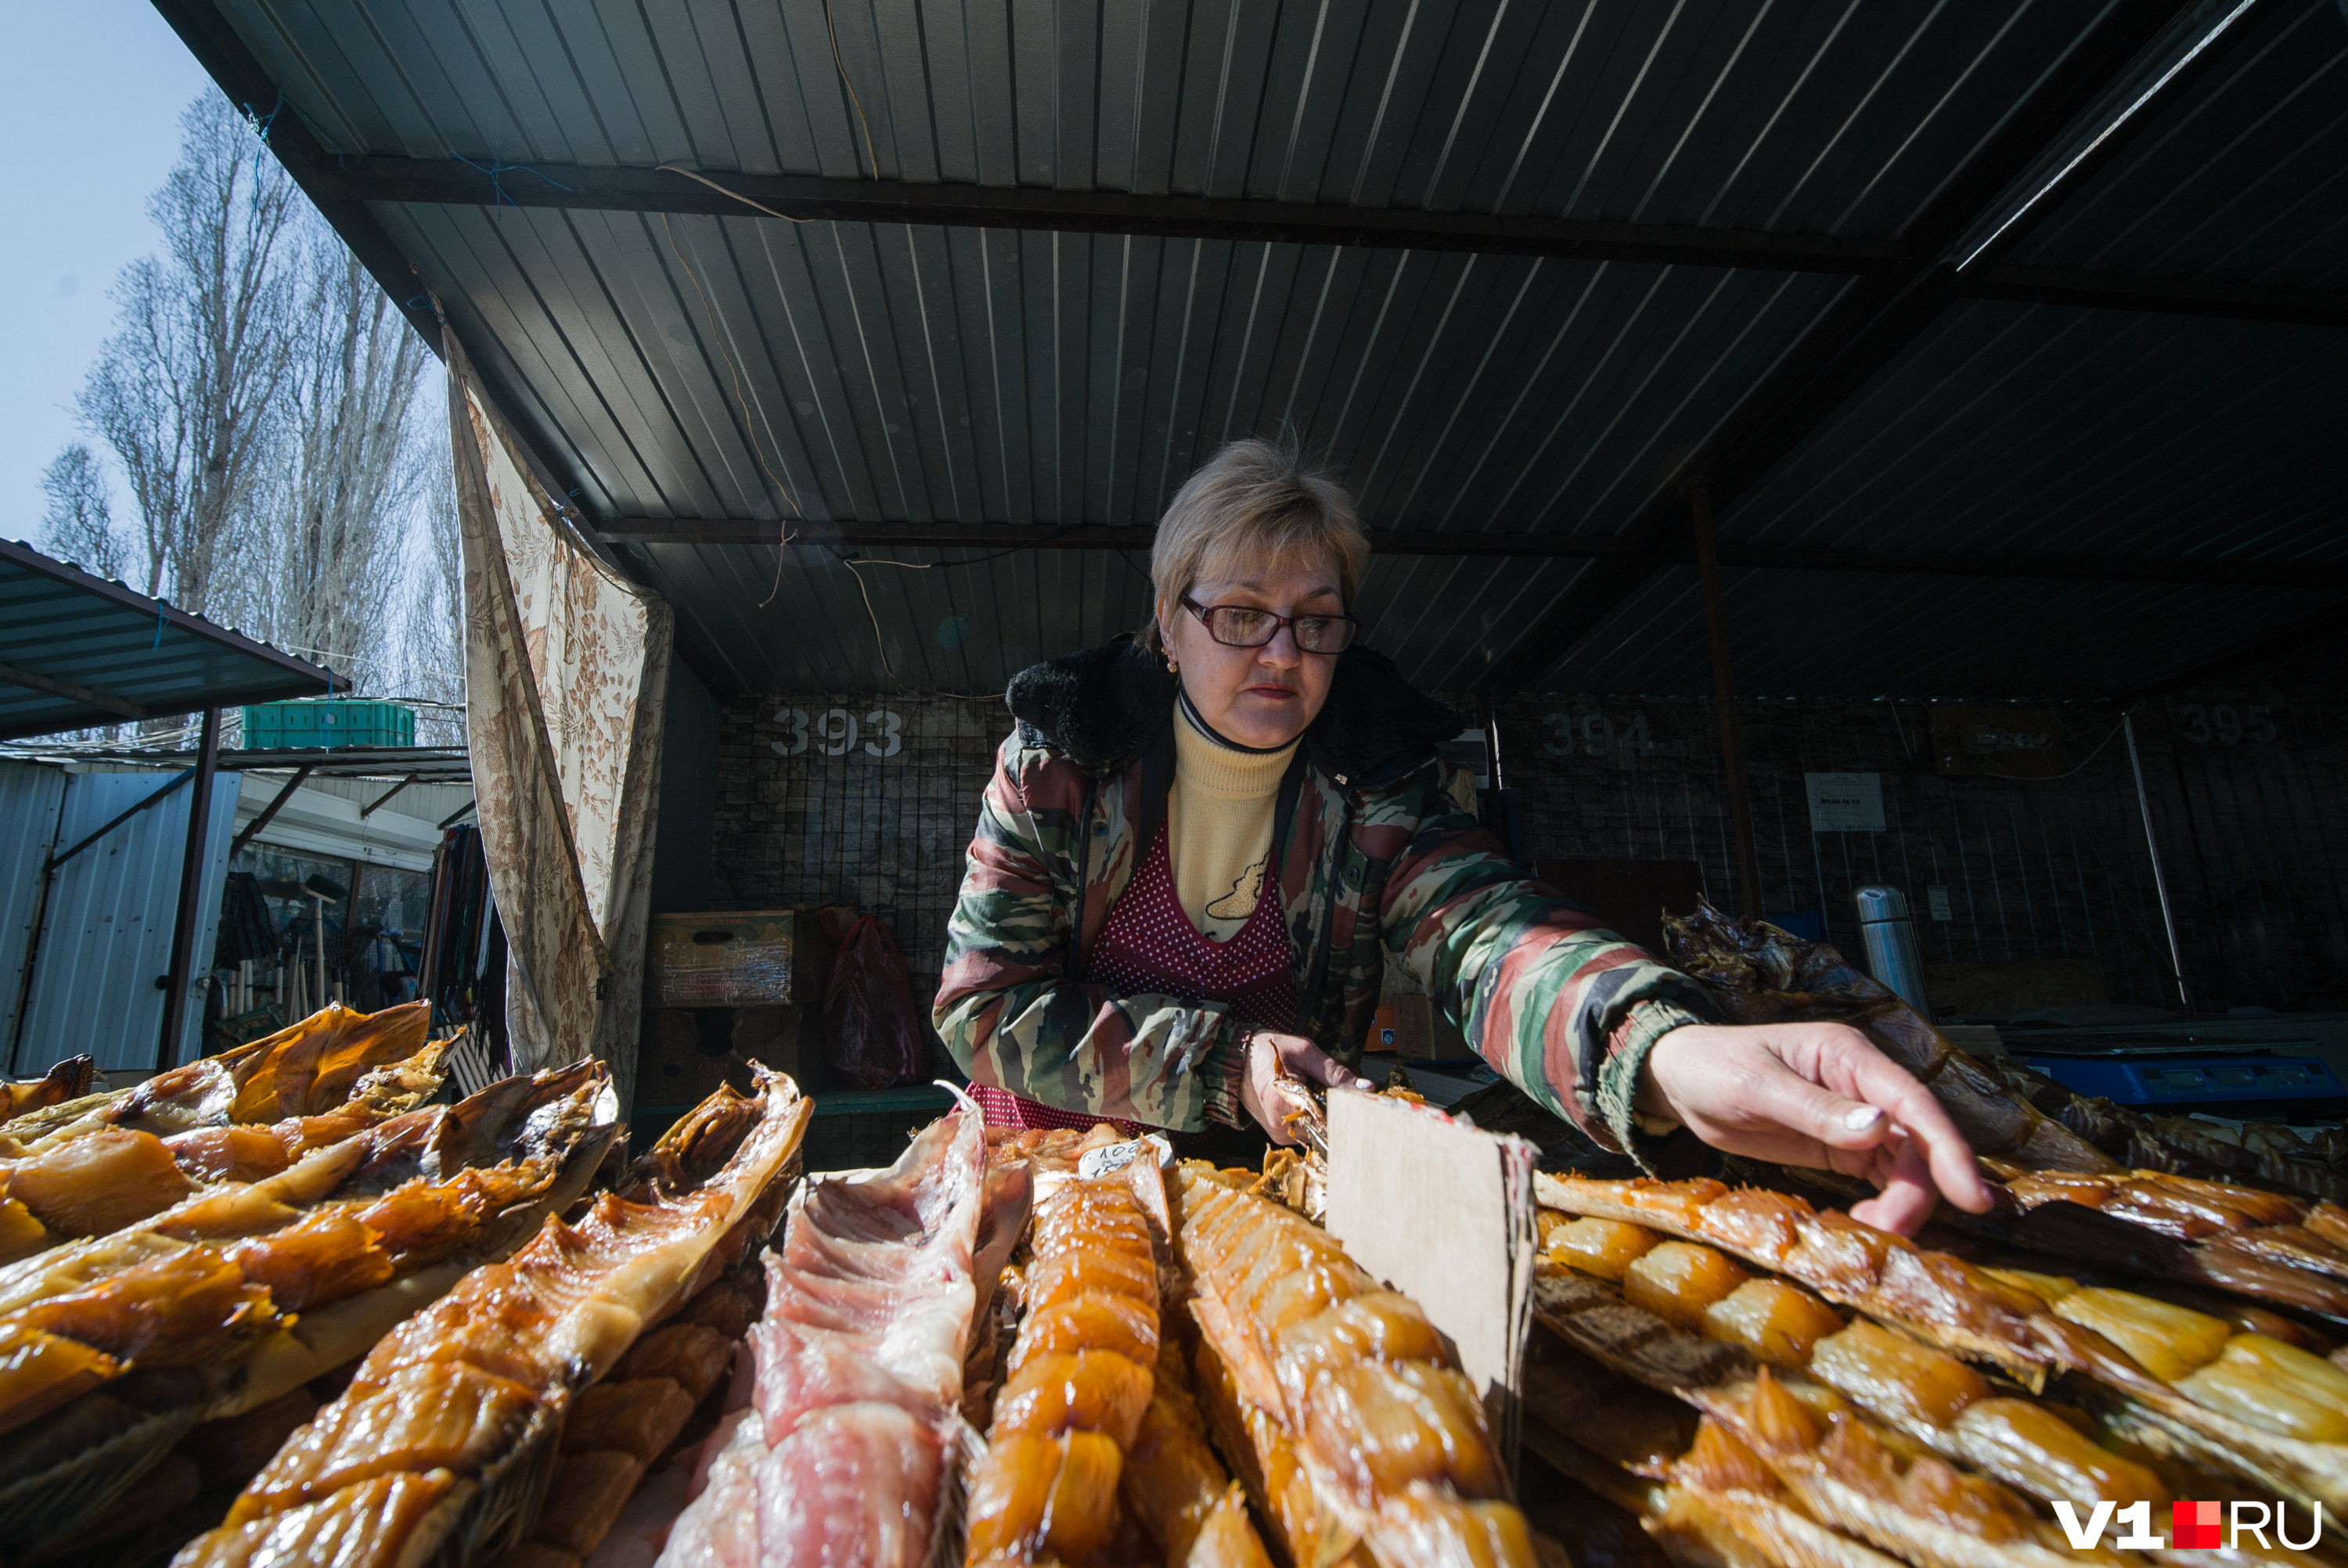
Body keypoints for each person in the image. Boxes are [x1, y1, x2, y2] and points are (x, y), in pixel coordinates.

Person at [935, 440, 1988, 1234]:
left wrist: (1658, 1048)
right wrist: (1224, 1061)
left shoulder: (1383, 783)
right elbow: (985, 1004)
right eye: (1242, 613)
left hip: (1256, 1186)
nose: (1282, 650)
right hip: (1054, 1175)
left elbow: (1489, 936)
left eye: (1318, 616)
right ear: (1169, 623)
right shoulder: (1061, 761)